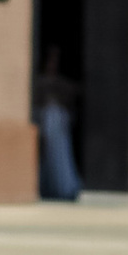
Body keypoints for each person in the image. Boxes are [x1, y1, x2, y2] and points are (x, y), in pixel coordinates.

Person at [35, 63, 81, 203]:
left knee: (60, 157)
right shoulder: (42, 85)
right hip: (49, 125)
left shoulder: (63, 88)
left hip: (58, 127)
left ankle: (63, 188)